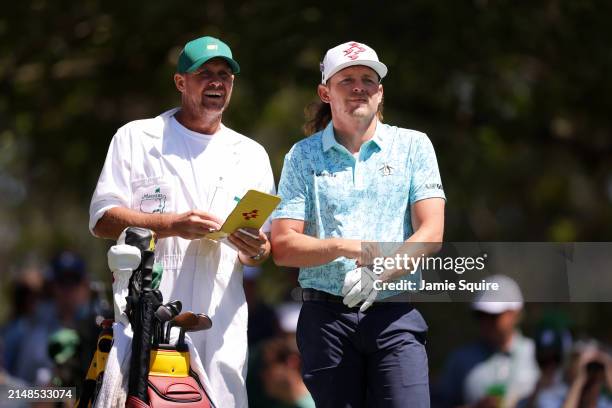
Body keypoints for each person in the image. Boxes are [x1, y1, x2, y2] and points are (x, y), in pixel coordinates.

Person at [89, 35, 275, 407]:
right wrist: (172, 224)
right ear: (180, 82)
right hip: (145, 314)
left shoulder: (251, 155)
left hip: (220, 321)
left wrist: (257, 248)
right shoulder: (137, 138)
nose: (217, 82)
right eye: (204, 73)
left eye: (225, 74)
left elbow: (260, 252)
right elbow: (102, 220)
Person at [271, 40, 446, 407]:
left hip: (394, 314)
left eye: (368, 79)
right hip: (326, 320)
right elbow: (284, 247)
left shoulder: (414, 146)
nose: (358, 87)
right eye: (346, 79)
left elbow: (431, 233)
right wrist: (345, 247)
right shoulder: (302, 156)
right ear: (325, 92)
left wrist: (380, 272)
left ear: (380, 93)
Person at [433, 275, 540, 408]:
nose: (486, 322)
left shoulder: (539, 354)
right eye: (481, 315)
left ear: (515, 313)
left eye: (494, 315)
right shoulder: (460, 359)